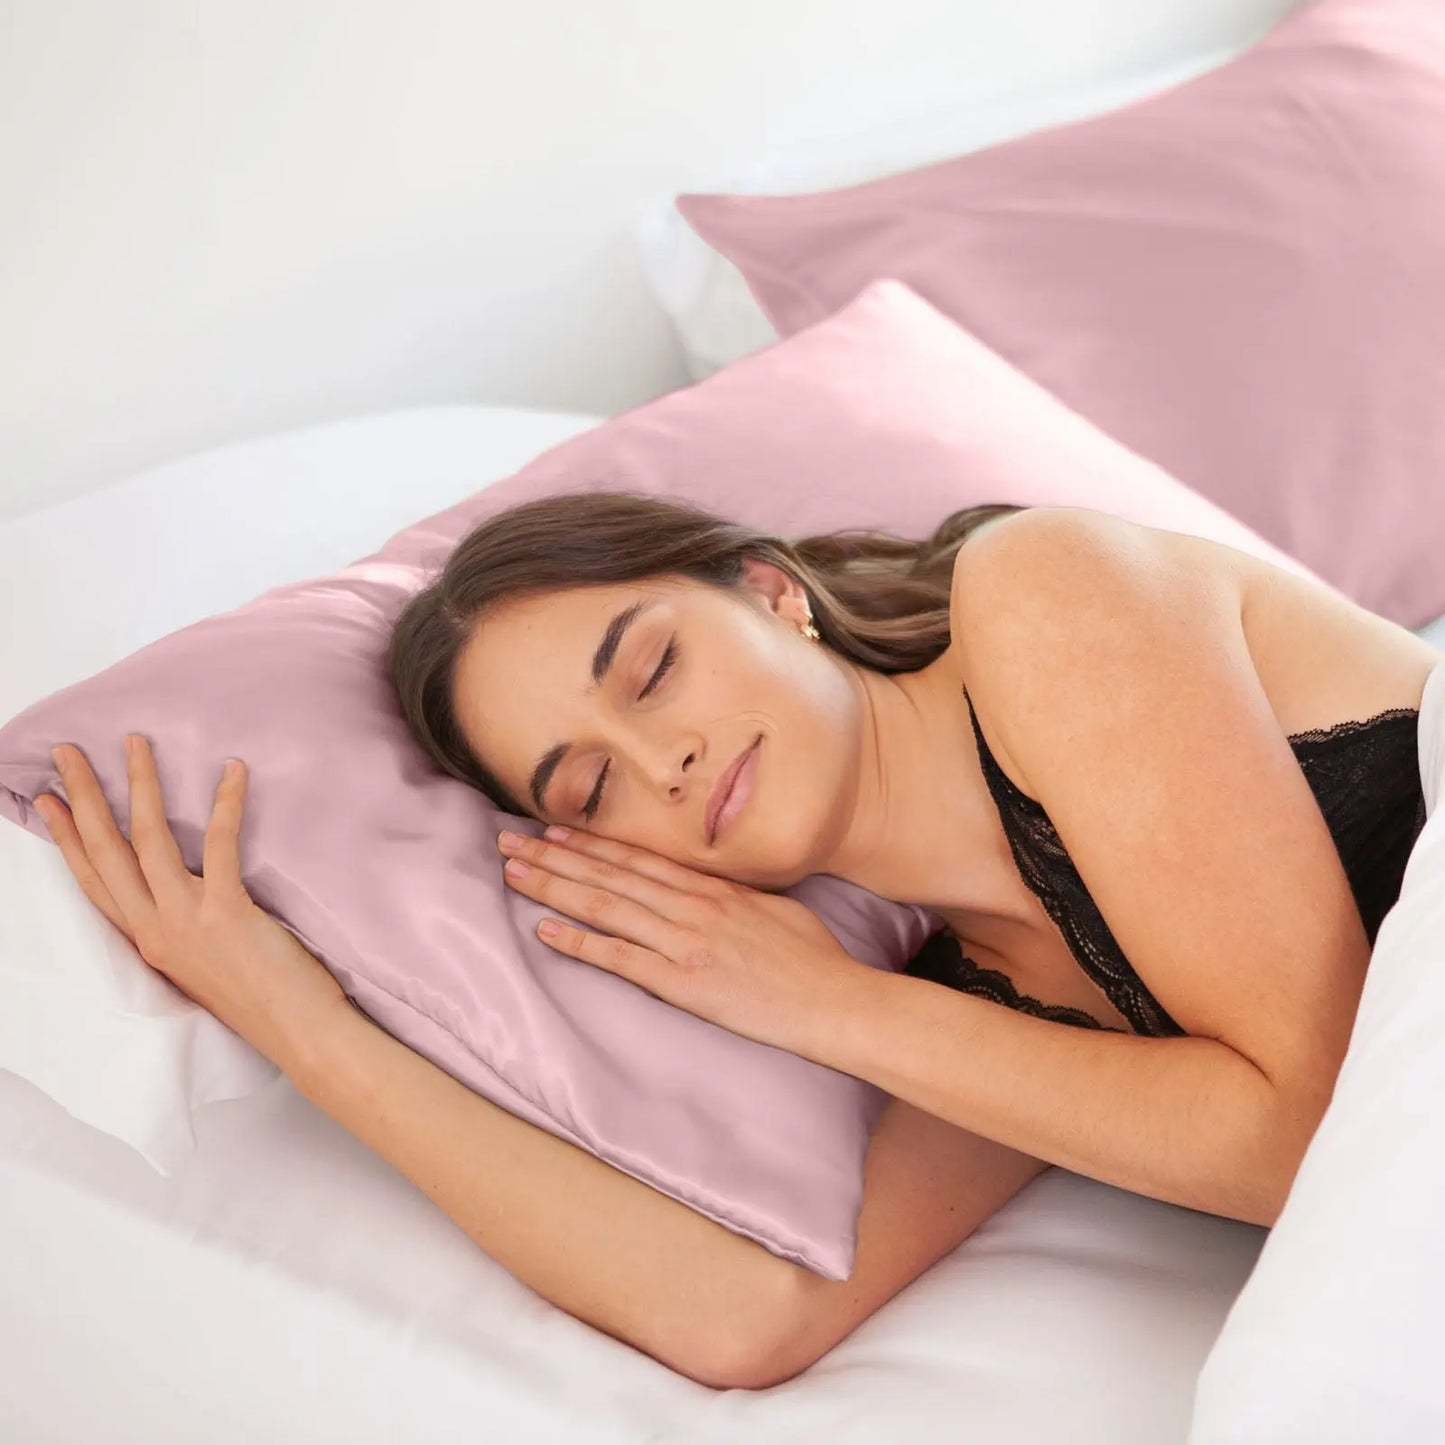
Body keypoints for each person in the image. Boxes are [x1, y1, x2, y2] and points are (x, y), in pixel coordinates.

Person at [37, 492, 1440, 1392]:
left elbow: (1307, 1126)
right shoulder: (981, 996)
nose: (666, 761)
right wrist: (301, 1023)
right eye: (589, 789)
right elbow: (743, 1317)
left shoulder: (1041, 593)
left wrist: (822, 1006)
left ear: (772, 591)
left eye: (653, 668)